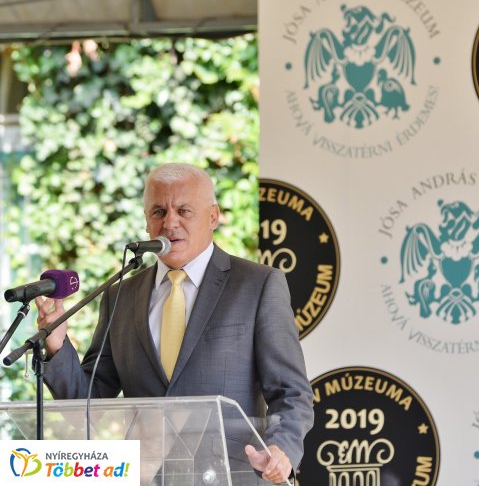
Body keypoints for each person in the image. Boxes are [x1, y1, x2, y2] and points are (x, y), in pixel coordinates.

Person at [35, 163, 314, 484]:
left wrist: (281, 448)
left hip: (232, 476)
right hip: (148, 477)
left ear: (213, 217)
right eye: (158, 212)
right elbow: (89, 403)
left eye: (183, 210)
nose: (169, 223)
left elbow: (291, 392)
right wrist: (57, 344)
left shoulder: (257, 284)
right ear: (146, 222)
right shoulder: (120, 296)